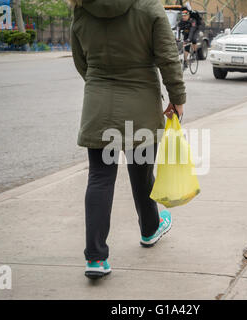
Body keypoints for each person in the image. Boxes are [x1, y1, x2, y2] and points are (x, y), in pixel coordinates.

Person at [69, 0, 186, 279]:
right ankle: (149, 229)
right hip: (141, 105)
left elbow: (80, 59)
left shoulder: (82, 7)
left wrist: (100, 83)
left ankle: (96, 259)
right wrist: (177, 98)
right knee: (142, 173)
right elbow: (167, 58)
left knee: (99, 177)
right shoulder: (149, 8)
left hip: (97, 105)